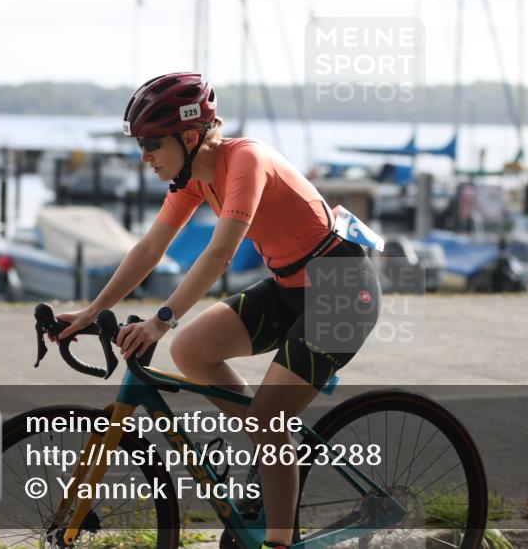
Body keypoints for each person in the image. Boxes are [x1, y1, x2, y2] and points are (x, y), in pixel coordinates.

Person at [56, 72, 382, 549]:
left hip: (343, 293)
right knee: (193, 349)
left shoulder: (246, 160)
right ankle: (268, 455)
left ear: (190, 137)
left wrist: (159, 320)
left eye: (151, 143)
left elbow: (219, 254)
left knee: (266, 418)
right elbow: (149, 249)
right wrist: (91, 312)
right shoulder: (193, 179)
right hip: (293, 286)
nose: (143, 156)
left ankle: (277, 539)